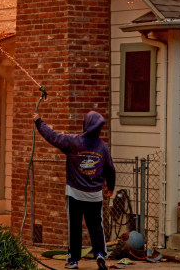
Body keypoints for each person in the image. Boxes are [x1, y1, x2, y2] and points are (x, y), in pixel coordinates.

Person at [33, 111, 115, 270]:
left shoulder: (73, 142)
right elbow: (110, 169)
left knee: (75, 227)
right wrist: (110, 187)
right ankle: (100, 254)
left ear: (85, 125)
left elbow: (53, 137)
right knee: (96, 226)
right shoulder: (102, 147)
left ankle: (73, 261)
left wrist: (38, 121)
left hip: (75, 193)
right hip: (95, 195)